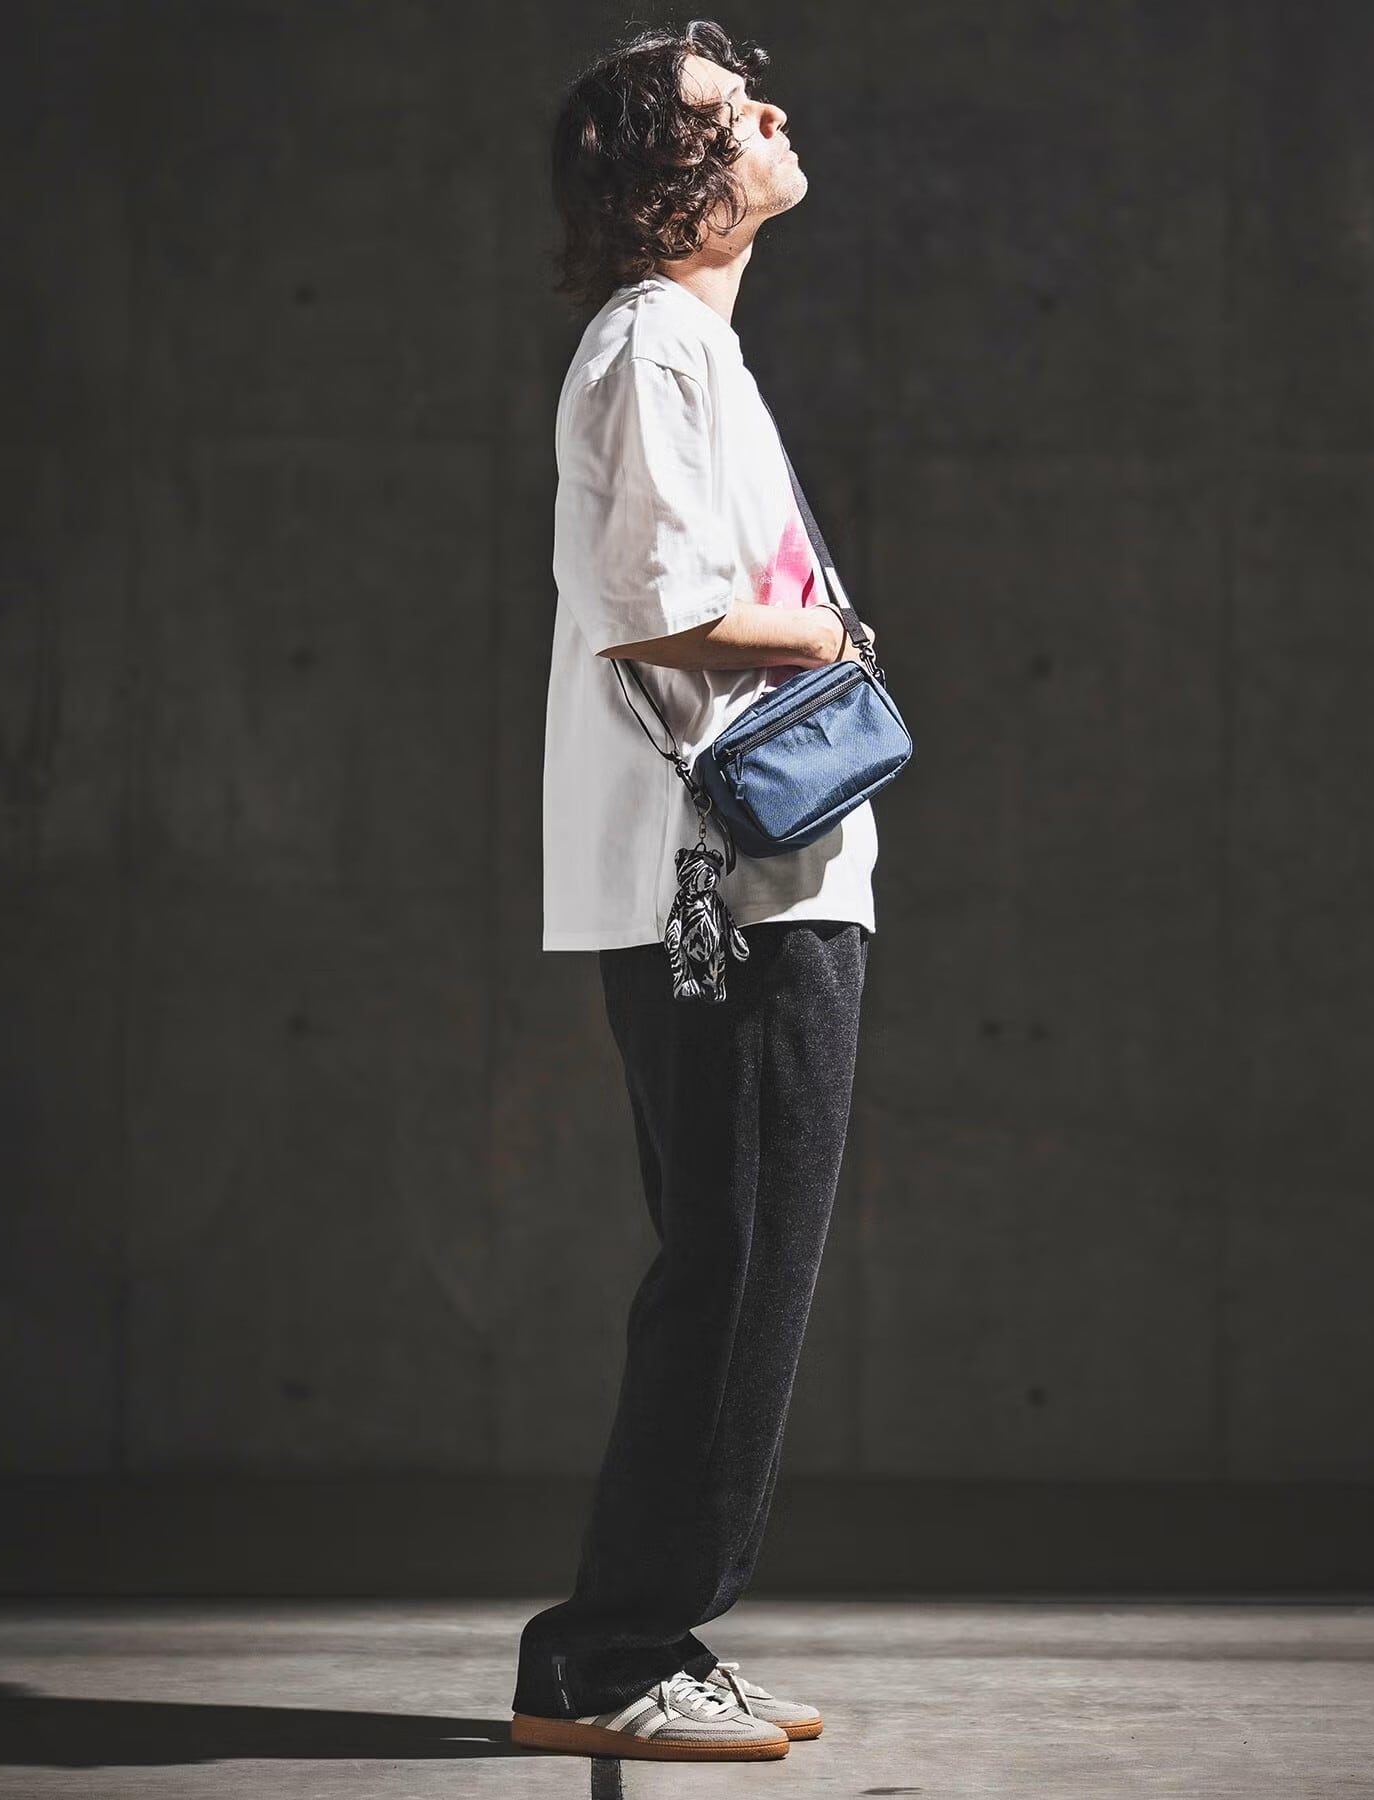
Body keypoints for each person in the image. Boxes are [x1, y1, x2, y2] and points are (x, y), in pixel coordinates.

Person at [511, 18, 880, 1764]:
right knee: (732, 1274)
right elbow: (658, 612)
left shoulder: (687, 349)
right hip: (725, 889)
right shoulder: (652, 343)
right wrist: (830, 633)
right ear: (674, 178)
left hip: (750, 878)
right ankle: (610, 1655)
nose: (773, 114)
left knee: (737, 1267)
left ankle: (642, 1637)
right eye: (735, 111)